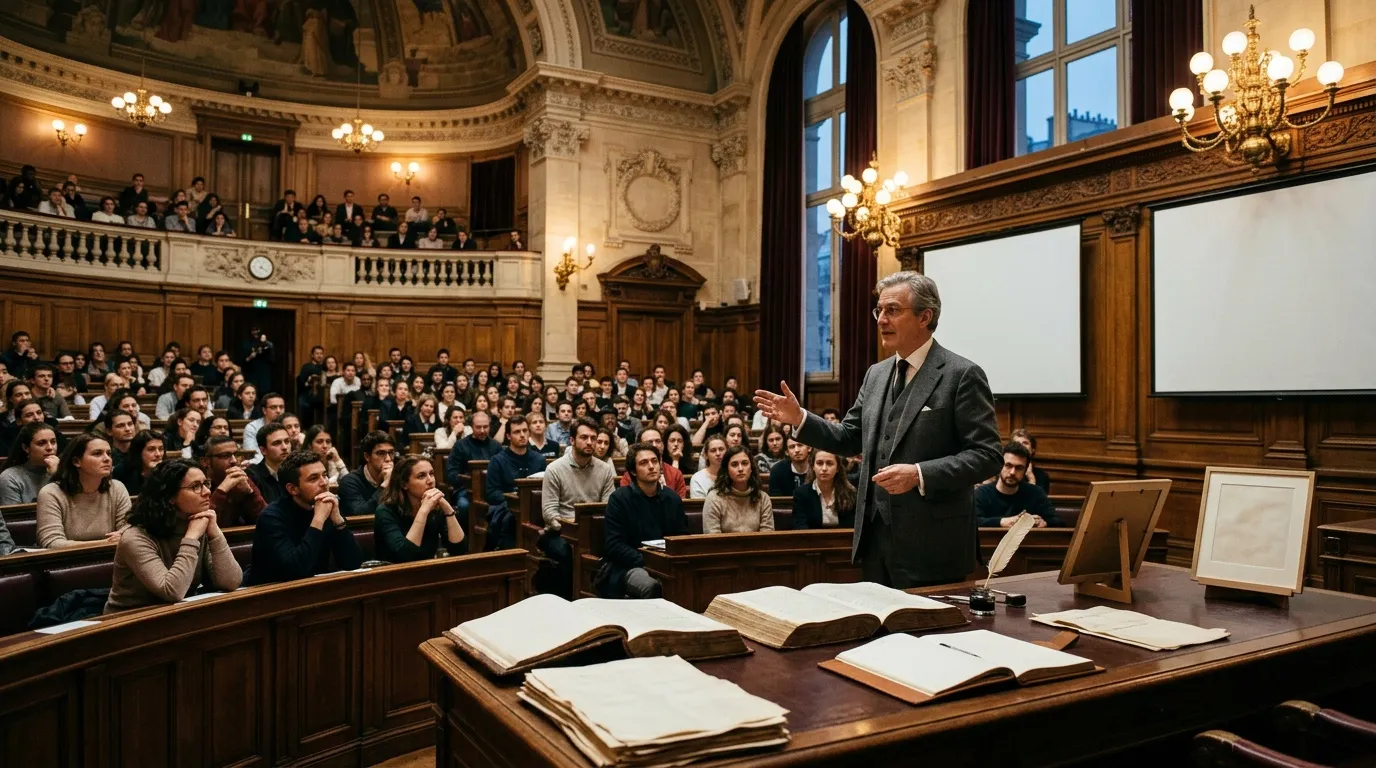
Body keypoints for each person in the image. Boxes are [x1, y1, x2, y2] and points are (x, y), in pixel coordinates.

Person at [753, 271, 1001, 588]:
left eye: (893, 310)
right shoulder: (877, 374)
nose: (881, 319)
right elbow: (848, 437)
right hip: (874, 541)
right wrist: (800, 417)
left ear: (925, 316)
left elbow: (988, 455)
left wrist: (919, 474)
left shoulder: (961, 374)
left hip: (932, 545)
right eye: (879, 310)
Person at [104, 459, 243, 613]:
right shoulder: (135, 538)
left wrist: (215, 533)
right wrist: (190, 538)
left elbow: (231, 582)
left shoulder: (197, 524)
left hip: (178, 614)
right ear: (170, 496)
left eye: (206, 484)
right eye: (196, 486)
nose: (207, 492)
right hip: (129, 620)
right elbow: (172, 591)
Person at [245, 450, 363, 585]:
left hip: (315, 590)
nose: (324, 483)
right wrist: (318, 520)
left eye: (324, 475)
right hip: (268, 595)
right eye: (313, 478)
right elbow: (295, 570)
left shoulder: (327, 508)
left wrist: (338, 521)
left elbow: (353, 563)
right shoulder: (271, 518)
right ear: (292, 489)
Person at [599, 443, 688, 599]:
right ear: (633, 471)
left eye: (654, 461)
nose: (651, 466)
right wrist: (648, 560)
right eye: (644, 463)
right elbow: (614, 545)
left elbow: (682, 537)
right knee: (650, 585)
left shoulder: (672, 498)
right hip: (630, 565)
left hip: (668, 562)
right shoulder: (619, 499)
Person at [538, 418, 614, 596]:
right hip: (560, 532)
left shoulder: (604, 469)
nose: (590, 442)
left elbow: (607, 507)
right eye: (584, 437)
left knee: (617, 550)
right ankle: (569, 599)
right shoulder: (555, 469)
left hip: (593, 531)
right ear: (572, 440)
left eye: (593, 438)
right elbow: (549, 513)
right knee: (567, 553)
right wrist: (573, 527)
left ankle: (601, 600)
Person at [37, 434, 131, 548]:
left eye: (109, 453)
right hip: (67, 562)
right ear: (76, 461)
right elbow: (52, 543)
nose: (107, 459)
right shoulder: (51, 493)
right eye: (97, 454)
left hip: (112, 558)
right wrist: (107, 542)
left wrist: (122, 538)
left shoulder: (117, 488)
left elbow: (128, 530)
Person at [374, 455, 466, 562]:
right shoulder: (385, 511)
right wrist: (423, 511)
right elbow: (405, 556)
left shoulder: (436, 508)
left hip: (426, 572)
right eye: (421, 476)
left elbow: (459, 550)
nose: (430, 480)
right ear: (404, 484)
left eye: (431, 474)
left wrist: (448, 510)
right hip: (391, 574)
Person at [482, 415, 546, 549]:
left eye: (524, 431)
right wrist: (515, 499)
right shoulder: (497, 460)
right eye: (517, 432)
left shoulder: (539, 459)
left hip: (535, 507)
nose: (522, 435)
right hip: (506, 506)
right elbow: (492, 493)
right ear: (509, 436)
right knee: (509, 519)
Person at [974, 441, 1062, 528]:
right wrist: (1001, 522)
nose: (1012, 472)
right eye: (1008, 465)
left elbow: (1058, 523)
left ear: (1025, 471)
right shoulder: (981, 493)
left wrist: (1044, 523)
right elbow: (972, 522)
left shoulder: (1036, 493)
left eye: (1019, 468)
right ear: (1000, 466)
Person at [703, 445, 774, 533]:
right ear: (727, 470)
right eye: (734, 465)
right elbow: (712, 539)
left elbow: (767, 538)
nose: (740, 469)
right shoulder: (714, 498)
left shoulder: (763, 498)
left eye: (745, 463)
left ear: (751, 468)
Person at [201, 435, 266, 527]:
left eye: (236, 454)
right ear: (205, 461)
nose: (234, 460)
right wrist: (222, 490)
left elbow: (267, 518)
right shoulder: (198, 484)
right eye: (225, 456)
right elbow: (203, 523)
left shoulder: (242, 478)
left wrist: (250, 493)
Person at [445, 411, 503, 514]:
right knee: (464, 505)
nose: (482, 431)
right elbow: (451, 473)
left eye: (485, 427)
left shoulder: (496, 446)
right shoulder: (460, 445)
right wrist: (470, 479)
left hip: (493, 490)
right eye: (478, 427)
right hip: (466, 490)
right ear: (472, 427)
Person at [793, 450, 856, 529]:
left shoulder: (850, 492)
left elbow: (854, 526)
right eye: (819, 463)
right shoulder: (801, 493)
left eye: (829, 463)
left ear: (837, 468)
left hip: (844, 540)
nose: (824, 468)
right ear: (813, 467)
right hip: (811, 540)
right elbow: (800, 526)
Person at [617, 428, 688, 498]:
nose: (655, 445)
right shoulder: (628, 477)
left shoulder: (676, 474)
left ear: (663, 445)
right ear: (640, 446)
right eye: (649, 442)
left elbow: (680, 504)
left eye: (658, 441)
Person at [0, 422, 59, 504]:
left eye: (53, 442)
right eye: (41, 443)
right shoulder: (10, 478)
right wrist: (55, 477)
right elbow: (15, 516)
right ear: (26, 448)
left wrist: (58, 475)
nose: (50, 448)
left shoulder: (64, 471)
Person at [338, 431, 393, 518]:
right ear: (367, 456)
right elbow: (360, 514)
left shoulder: (397, 477)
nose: (388, 459)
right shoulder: (349, 481)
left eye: (391, 453)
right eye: (381, 453)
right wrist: (385, 485)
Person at [245, 422, 291, 504]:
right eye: (277, 443)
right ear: (263, 450)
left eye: (287, 441)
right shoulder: (253, 476)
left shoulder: (296, 472)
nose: (284, 447)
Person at [114, 430, 164, 497]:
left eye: (161, 449)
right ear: (138, 452)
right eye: (151, 449)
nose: (158, 454)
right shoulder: (122, 471)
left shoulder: (168, 471)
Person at [1010, 428, 1051, 493]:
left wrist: (1031, 477)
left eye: (1025, 443)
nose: (1021, 446)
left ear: (1032, 450)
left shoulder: (1042, 475)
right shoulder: (1006, 471)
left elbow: (1040, 501)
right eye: (1017, 443)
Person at [689, 435, 727, 499]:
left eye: (721, 449)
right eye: (713, 450)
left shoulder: (733, 474)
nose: (718, 453)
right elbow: (698, 507)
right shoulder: (697, 478)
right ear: (706, 455)